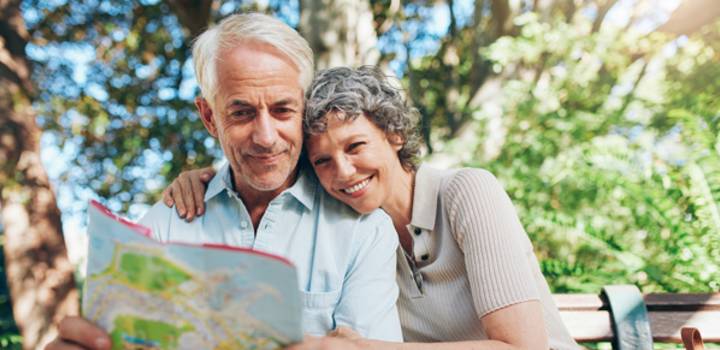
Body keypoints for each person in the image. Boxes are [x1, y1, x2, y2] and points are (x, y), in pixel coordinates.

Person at [45, 14, 403, 350]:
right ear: (209, 117)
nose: (265, 137)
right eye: (242, 113)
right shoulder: (166, 224)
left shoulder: (364, 230)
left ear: (304, 110)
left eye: (282, 109)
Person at [167, 66, 581, 349]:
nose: (344, 173)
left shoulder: (466, 192)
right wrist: (206, 177)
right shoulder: (355, 233)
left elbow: (522, 346)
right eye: (323, 161)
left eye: (356, 146)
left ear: (395, 134)